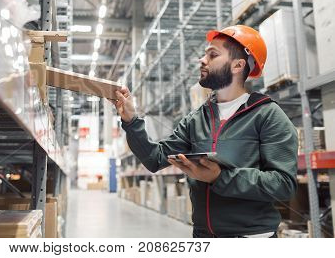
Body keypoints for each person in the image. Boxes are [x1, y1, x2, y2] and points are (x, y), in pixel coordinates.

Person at [112, 25, 298, 238]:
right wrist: (131, 120)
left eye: (212, 55)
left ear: (237, 65)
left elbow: (283, 184)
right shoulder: (196, 118)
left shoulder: (267, 115)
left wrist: (220, 177)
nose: (202, 60)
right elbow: (155, 159)